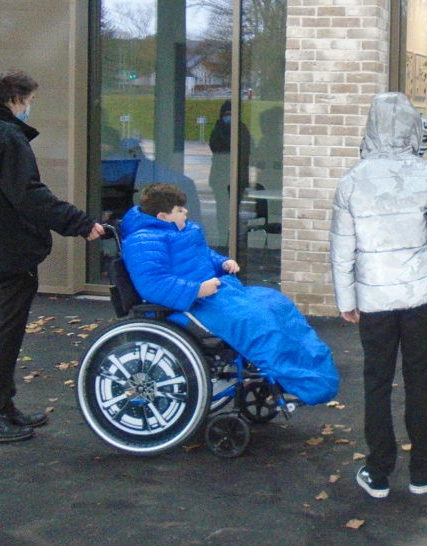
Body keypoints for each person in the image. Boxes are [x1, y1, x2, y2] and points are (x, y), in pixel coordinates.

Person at [330, 92, 427, 499]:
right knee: (419, 380)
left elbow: (341, 248)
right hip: (422, 296)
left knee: (377, 381)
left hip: (373, 300)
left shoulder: (352, 180)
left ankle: (378, 470)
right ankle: (423, 470)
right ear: (412, 127)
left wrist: (346, 299)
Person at [120, 182, 339, 406]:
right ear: (163, 216)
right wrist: (196, 290)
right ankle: (300, 383)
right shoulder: (143, 241)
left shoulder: (184, 230)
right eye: (179, 209)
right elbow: (153, 283)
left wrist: (223, 263)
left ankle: (310, 378)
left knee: (277, 304)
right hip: (188, 305)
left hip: (212, 294)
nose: (186, 211)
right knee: (258, 320)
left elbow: (204, 256)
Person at [0, 71, 105, 442]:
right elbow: (28, 194)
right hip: (9, 254)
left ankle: (6, 406)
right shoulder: (8, 137)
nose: (30, 108)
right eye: (29, 101)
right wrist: (79, 223)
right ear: (15, 99)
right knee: (5, 333)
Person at [208, 99, 251, 248]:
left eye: (231, 114)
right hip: (219, 177)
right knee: (222, 209)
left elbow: (244, 149)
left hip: (238, 177)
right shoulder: (218, 129)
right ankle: (223, 237)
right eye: (226, 114)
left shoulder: (242, 130)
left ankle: (232, 240)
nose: (228, 117)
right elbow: (216, 148)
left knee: (234, 210)